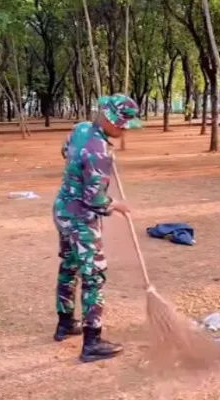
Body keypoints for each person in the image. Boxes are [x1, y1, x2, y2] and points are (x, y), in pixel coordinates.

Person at [53, 93, 142, 363]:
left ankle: (65, 323)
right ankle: (92, 342)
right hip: (81, 218)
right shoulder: (100, 152)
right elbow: (96, 200)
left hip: (62, 210)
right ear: (110, 120)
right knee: (94, 276)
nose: (125, 129)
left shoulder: (80, 128)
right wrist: (117, 205)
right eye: (123, 124)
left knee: (69, 265)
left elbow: (65, 152)